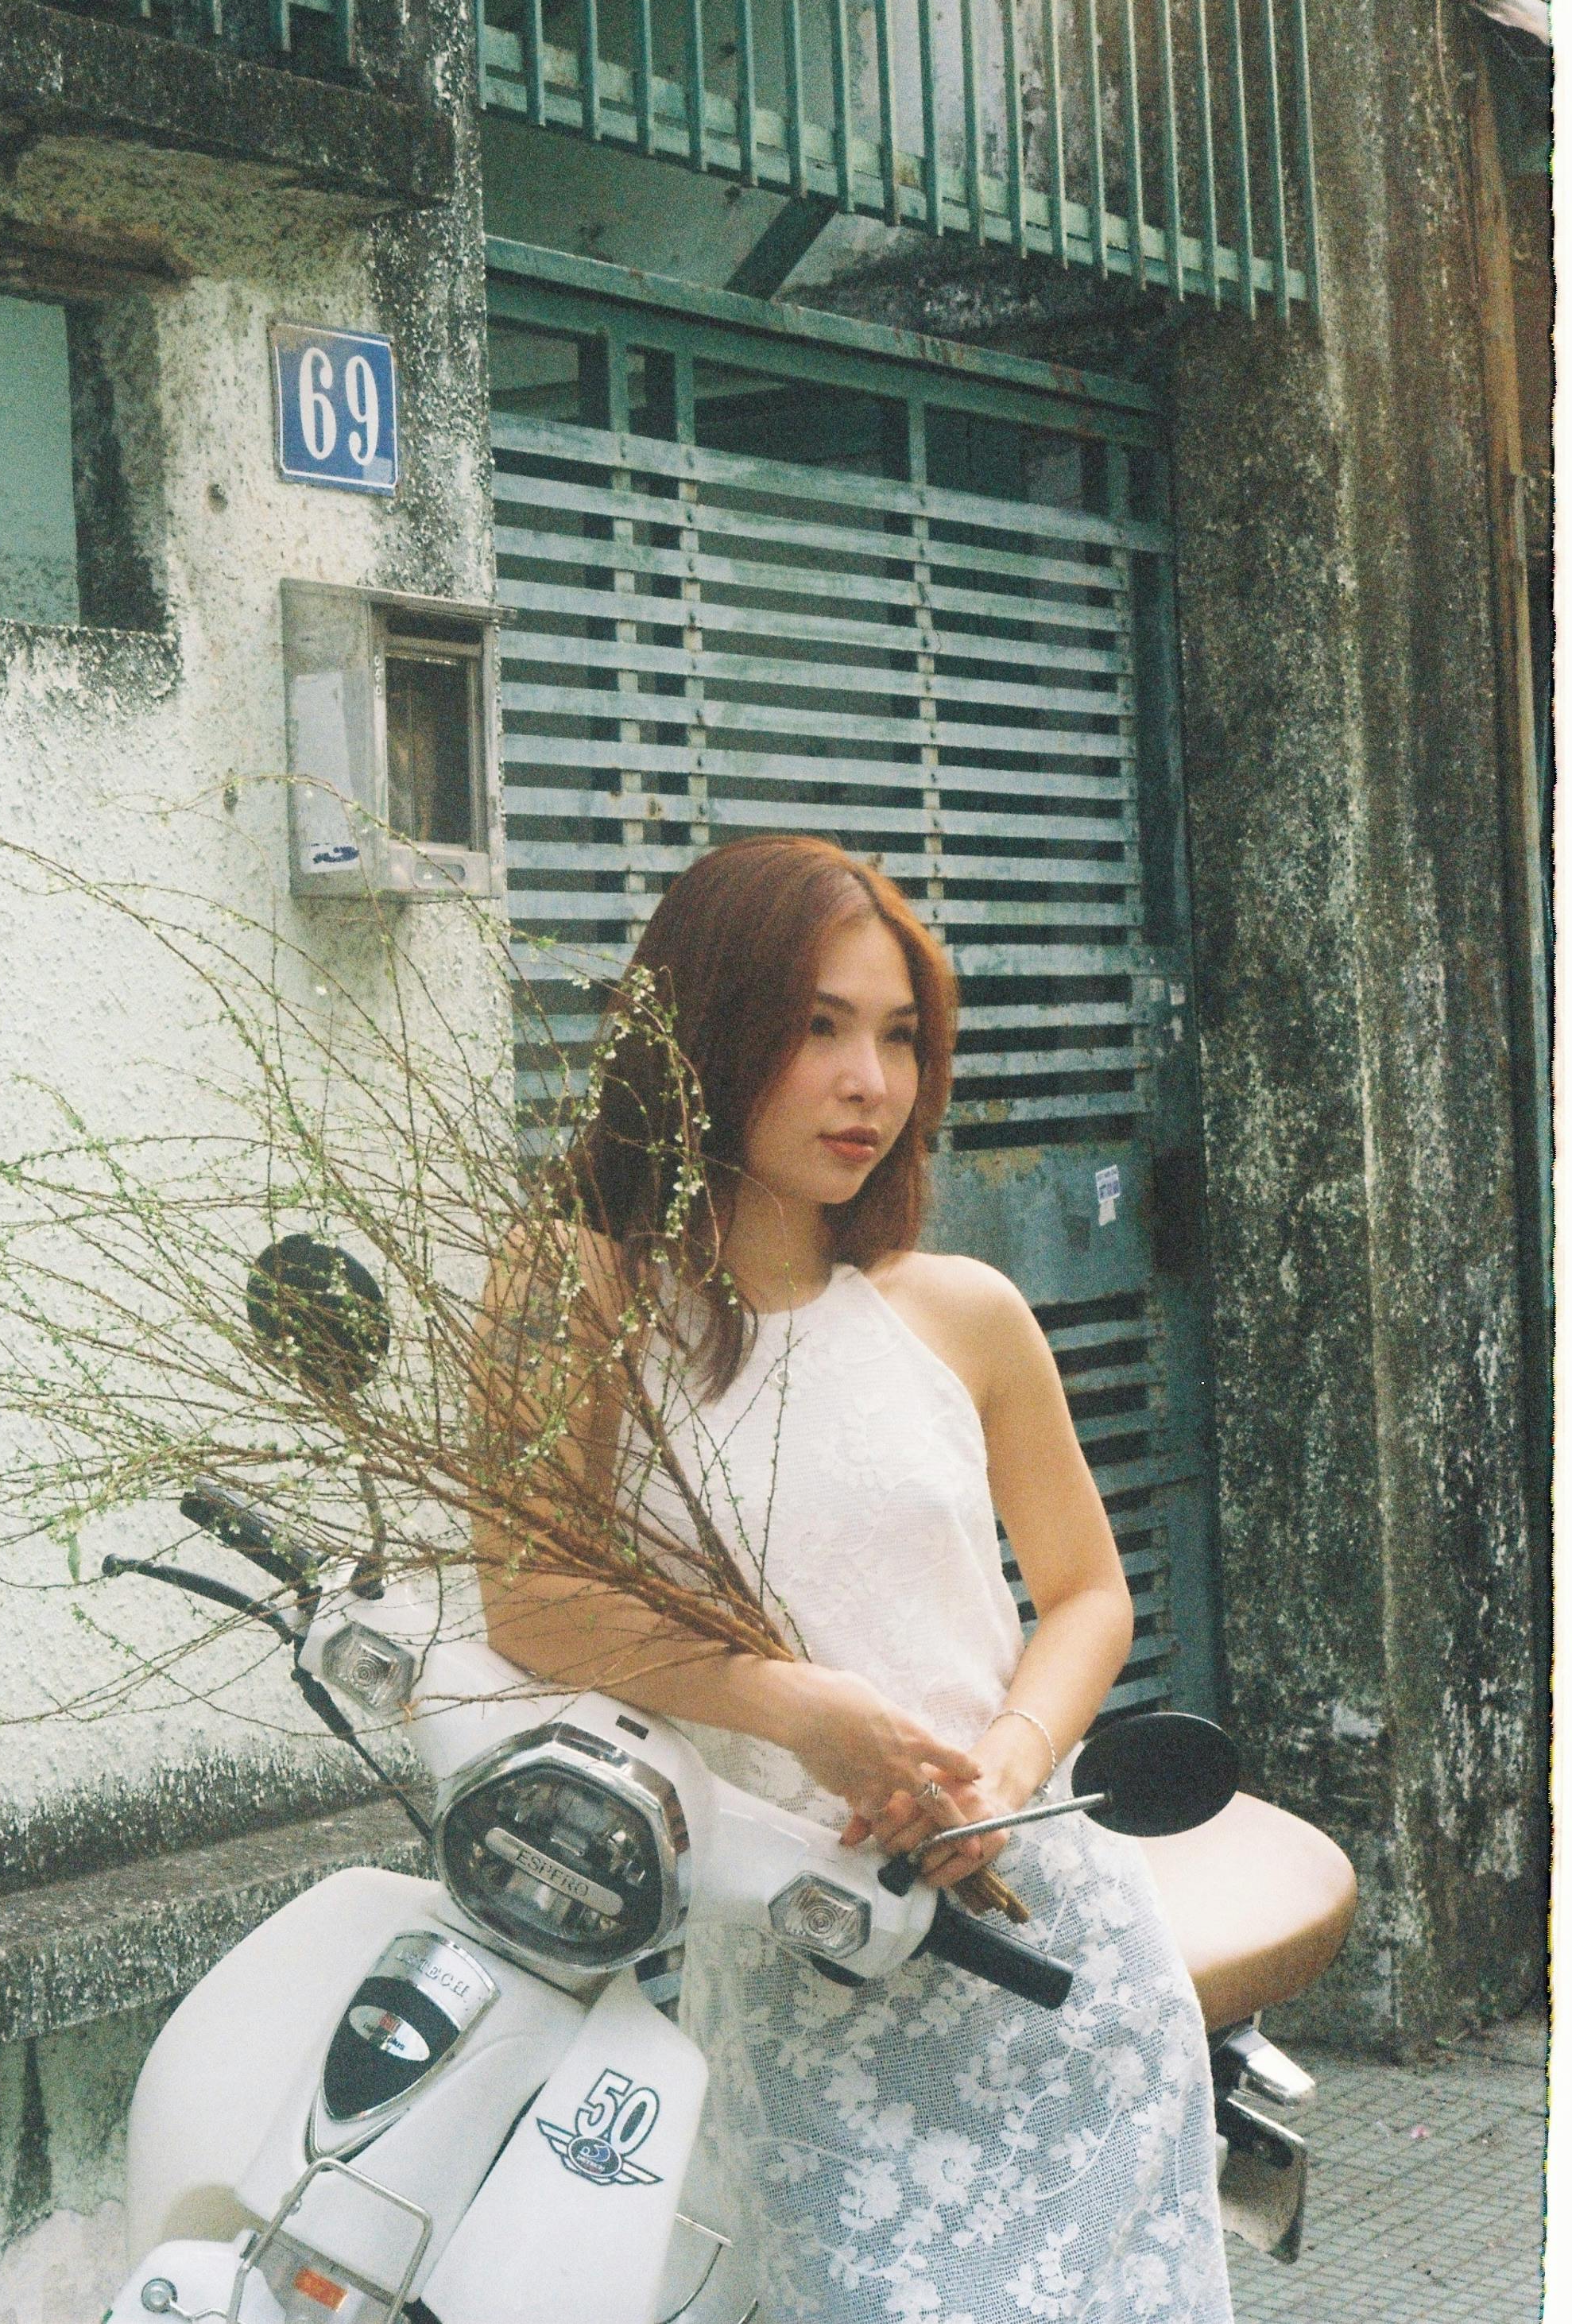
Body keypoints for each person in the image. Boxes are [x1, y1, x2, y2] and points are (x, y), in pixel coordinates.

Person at [480, 834, 1233, 2323]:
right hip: (799, 1954)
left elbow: (1088, 1593)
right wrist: (803, 1709)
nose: (868, 1083)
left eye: (898, 1038)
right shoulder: (577, 1286)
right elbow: (526, 1595)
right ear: (706, 1027)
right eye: (818, 1026)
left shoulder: (962, 1310)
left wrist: (1005, 1769)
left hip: (1046, 1937)